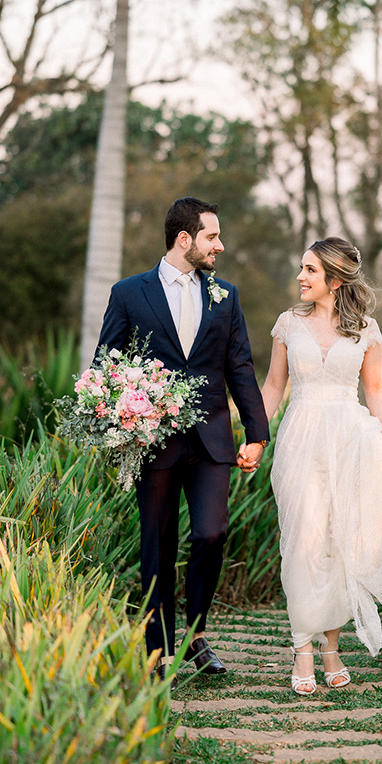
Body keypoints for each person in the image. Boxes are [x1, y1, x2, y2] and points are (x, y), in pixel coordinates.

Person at [95, 197, 269, 678]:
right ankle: (158, 649)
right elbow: (105, 365)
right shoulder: (129, 293)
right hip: (153, 443)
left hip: (212, 441)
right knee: (157, 544)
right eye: (213, 236)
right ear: (185, 239)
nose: (221, 245)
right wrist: (124, 415)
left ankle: (195, 633)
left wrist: (256, 433)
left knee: (211, 534)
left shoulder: (224, 295)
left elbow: (240, 367)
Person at [244, 237, 382, 695]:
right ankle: (302, 647)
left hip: (351, 440)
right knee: (306, 539)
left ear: (334, 279)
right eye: (301, 268)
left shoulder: (366, 329)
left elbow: (375, 390)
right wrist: (255, 436)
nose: (300, 277)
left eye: (310, 270)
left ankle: (330, 646)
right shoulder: (288, 324)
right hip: (301, 440)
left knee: (339, 542)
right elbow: (273, 386)